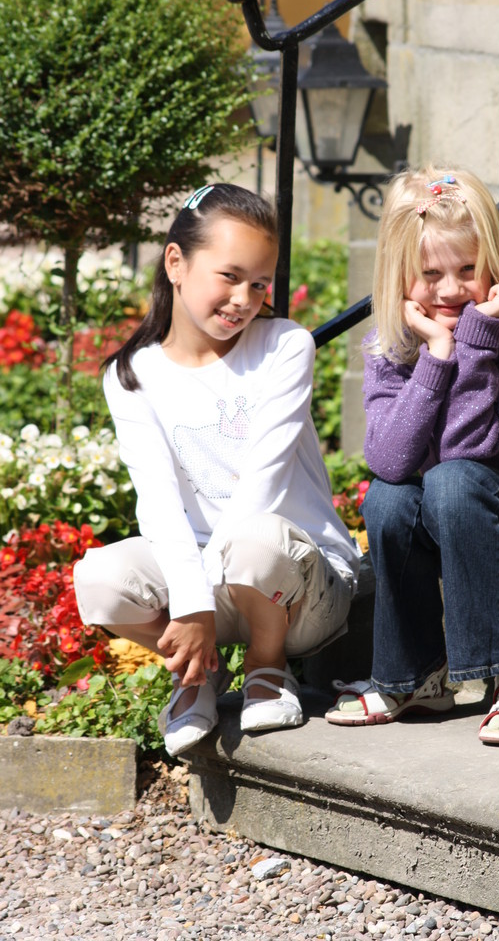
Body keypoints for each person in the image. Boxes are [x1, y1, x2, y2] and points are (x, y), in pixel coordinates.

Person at [325, 166, 499, 744]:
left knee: (453, 479)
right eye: (430, 274)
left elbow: (466, 447)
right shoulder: (392, 347)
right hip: (462, 521)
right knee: (387, 497)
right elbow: (388, 462)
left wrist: (477, 340)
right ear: (399, 275)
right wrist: (434, 356)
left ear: (495, 266)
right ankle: (414, 676)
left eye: (467, 270)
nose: (451, 290)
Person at [74, 183, 359, 755]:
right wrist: (194, 605)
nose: (244, 299)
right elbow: (157, 501)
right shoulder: (132, 375)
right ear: (176, 263)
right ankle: (198, 675)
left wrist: (195, 598)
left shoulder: (284, 347)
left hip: (297, 587)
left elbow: (262, 489)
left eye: (259, 284)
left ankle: (268, 667)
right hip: (214, 584)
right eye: (229, 276)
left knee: (255, 539)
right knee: (99, 579)